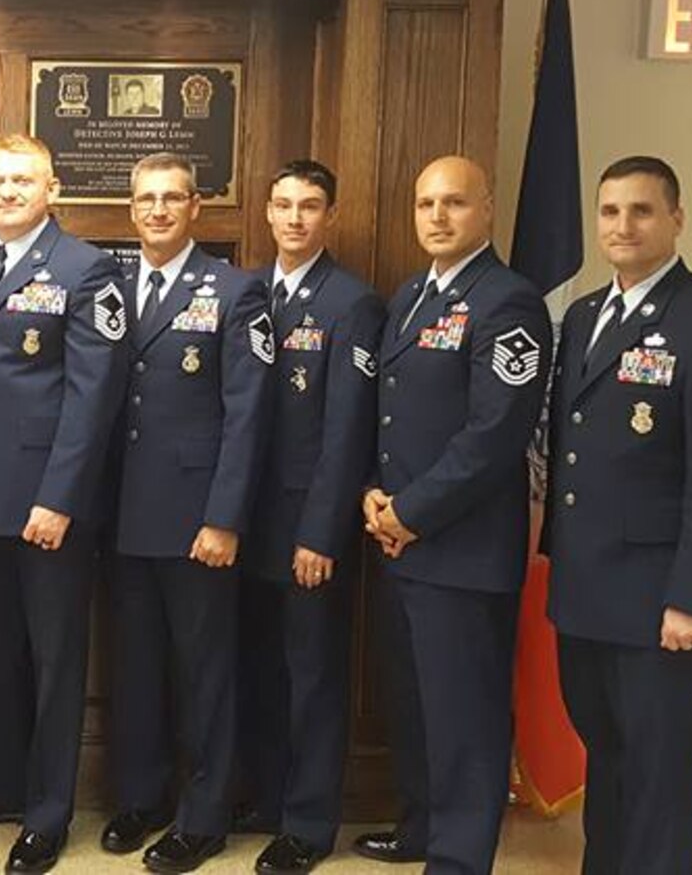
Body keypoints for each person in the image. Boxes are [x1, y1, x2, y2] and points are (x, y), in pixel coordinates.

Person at [544, 157, 692, 875]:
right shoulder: (583, 316)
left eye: (641, 210)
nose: (623, 226)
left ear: (676, 218)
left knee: (661, 770)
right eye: (610, 211)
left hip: (662, 599)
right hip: (587, 591)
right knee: (608, 757)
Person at [352, 154, 547, 873]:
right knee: (416, 704)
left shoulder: (509, 302)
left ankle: (460, 857)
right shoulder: (408, 295)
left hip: (459, 548)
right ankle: (420, 827)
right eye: (426, 202)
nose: (437, 216)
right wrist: (373, 491)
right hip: (400, 538)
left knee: (464, 716)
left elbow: (494, 434)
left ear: (486, 210)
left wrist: (412, 512)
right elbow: (392, 415)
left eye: (455, 203)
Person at [0, 134, 127, 874]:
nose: (9, 190)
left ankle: (48, 812)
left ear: (53, 188)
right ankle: (0, 786)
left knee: (54, 662)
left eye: (24, 179)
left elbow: (93, 397)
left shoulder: (87, 269)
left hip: (46, 506)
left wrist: (60, 498)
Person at [99, 153, 273, 873]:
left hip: (198, 518)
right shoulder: (108, 285)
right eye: (146, 198)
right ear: (132, 208)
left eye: (173, 198)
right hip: (122, 514)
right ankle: (141, 796)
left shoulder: (236, 291)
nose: (159, 210)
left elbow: (248, 414)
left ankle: (203, 814)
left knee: (205, 670)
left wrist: (225, 516)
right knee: (134, 664)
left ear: (196, 207)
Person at [236, 160, 386, 874]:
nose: (295, 218)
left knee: (313, 677)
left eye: (311, 206)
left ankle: (309, 820)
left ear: (330, 215)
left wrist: (322, 532)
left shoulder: (351, 303)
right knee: (260, 670)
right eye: (284, 205)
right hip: (245, 525)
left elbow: (347, 432)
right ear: (266, 212)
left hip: (305, 530)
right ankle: (266, 796)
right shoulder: (246, 292)